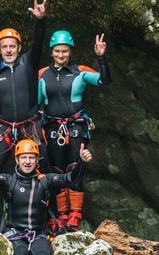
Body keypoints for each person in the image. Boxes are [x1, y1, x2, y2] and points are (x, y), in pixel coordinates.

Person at [0, 0, 47, 220]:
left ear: (19, 48)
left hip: (31, 126)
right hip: (4, 129)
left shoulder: (28, 64)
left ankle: (48, 221)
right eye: (4, 46)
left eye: (12, 46)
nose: (9, 50)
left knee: (44, 172)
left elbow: (38, 44)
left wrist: (40, 21)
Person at [40, 32, 110, 233]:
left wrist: (101, 57)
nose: (61, 55)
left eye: (65, 51)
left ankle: (75, 215)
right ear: (51, 52)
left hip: (76, 126)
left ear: (70, 52)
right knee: (56, 171)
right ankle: (61, 214)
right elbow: (35, 102)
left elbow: (104, 80)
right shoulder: (42, 74)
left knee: (74, 168)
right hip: (53, 128)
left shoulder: (80, 71)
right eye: (57, 51)